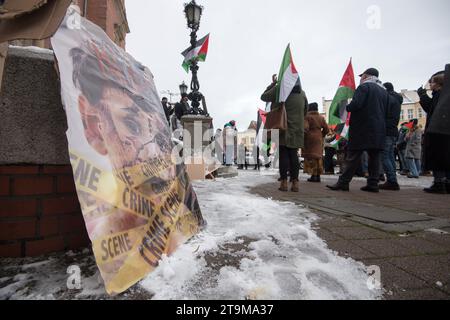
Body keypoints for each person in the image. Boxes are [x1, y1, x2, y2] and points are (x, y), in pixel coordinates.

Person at [327, 68, 388, 193]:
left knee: (353, 156)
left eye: (362, 76)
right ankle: (373, 184)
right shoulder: (383, 90)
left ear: (366, 76)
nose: (360, 79)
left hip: (362, 128)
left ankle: (343, 182)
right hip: (378, 128)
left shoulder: (364, 88)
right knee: (374, 157)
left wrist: (343, 107)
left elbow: (356, 104)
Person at [261, 74, 308, 192]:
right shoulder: (302, 93)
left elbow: (264, 96)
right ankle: (295, 183)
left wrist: (274, 84)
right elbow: (305, 111)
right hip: (296, 129)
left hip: (282, 127)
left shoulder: (280, 90)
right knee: (293, 155)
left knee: (283, 156)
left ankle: (284, 183)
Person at [418, 69, 450, 193]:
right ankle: (445, 182)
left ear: (437, 83)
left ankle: (439, 183)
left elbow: (432, 109)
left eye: (431, 82)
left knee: (439, 157)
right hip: (443, 130)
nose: (430, 85)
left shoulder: (440, 95)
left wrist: (423, 96)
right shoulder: (442, 95)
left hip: (438, 131)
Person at [380, 82, 403, 190]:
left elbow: (382, 114)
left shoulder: (389, 99)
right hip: (393, 131)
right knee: (389, 156)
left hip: (387, 130)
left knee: (384, 155)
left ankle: (392, 180)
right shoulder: (396, 99)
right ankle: (392, 179)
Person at [303, 102, 329, 182]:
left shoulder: (307, 117)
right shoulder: (321, 117)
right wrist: (322, 135)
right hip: (319, 137)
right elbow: (327, 129)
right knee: (318, 156)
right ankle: (318, 176)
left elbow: (305, 128)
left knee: (312, 157)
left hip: (310, 138)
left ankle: (313, 176)